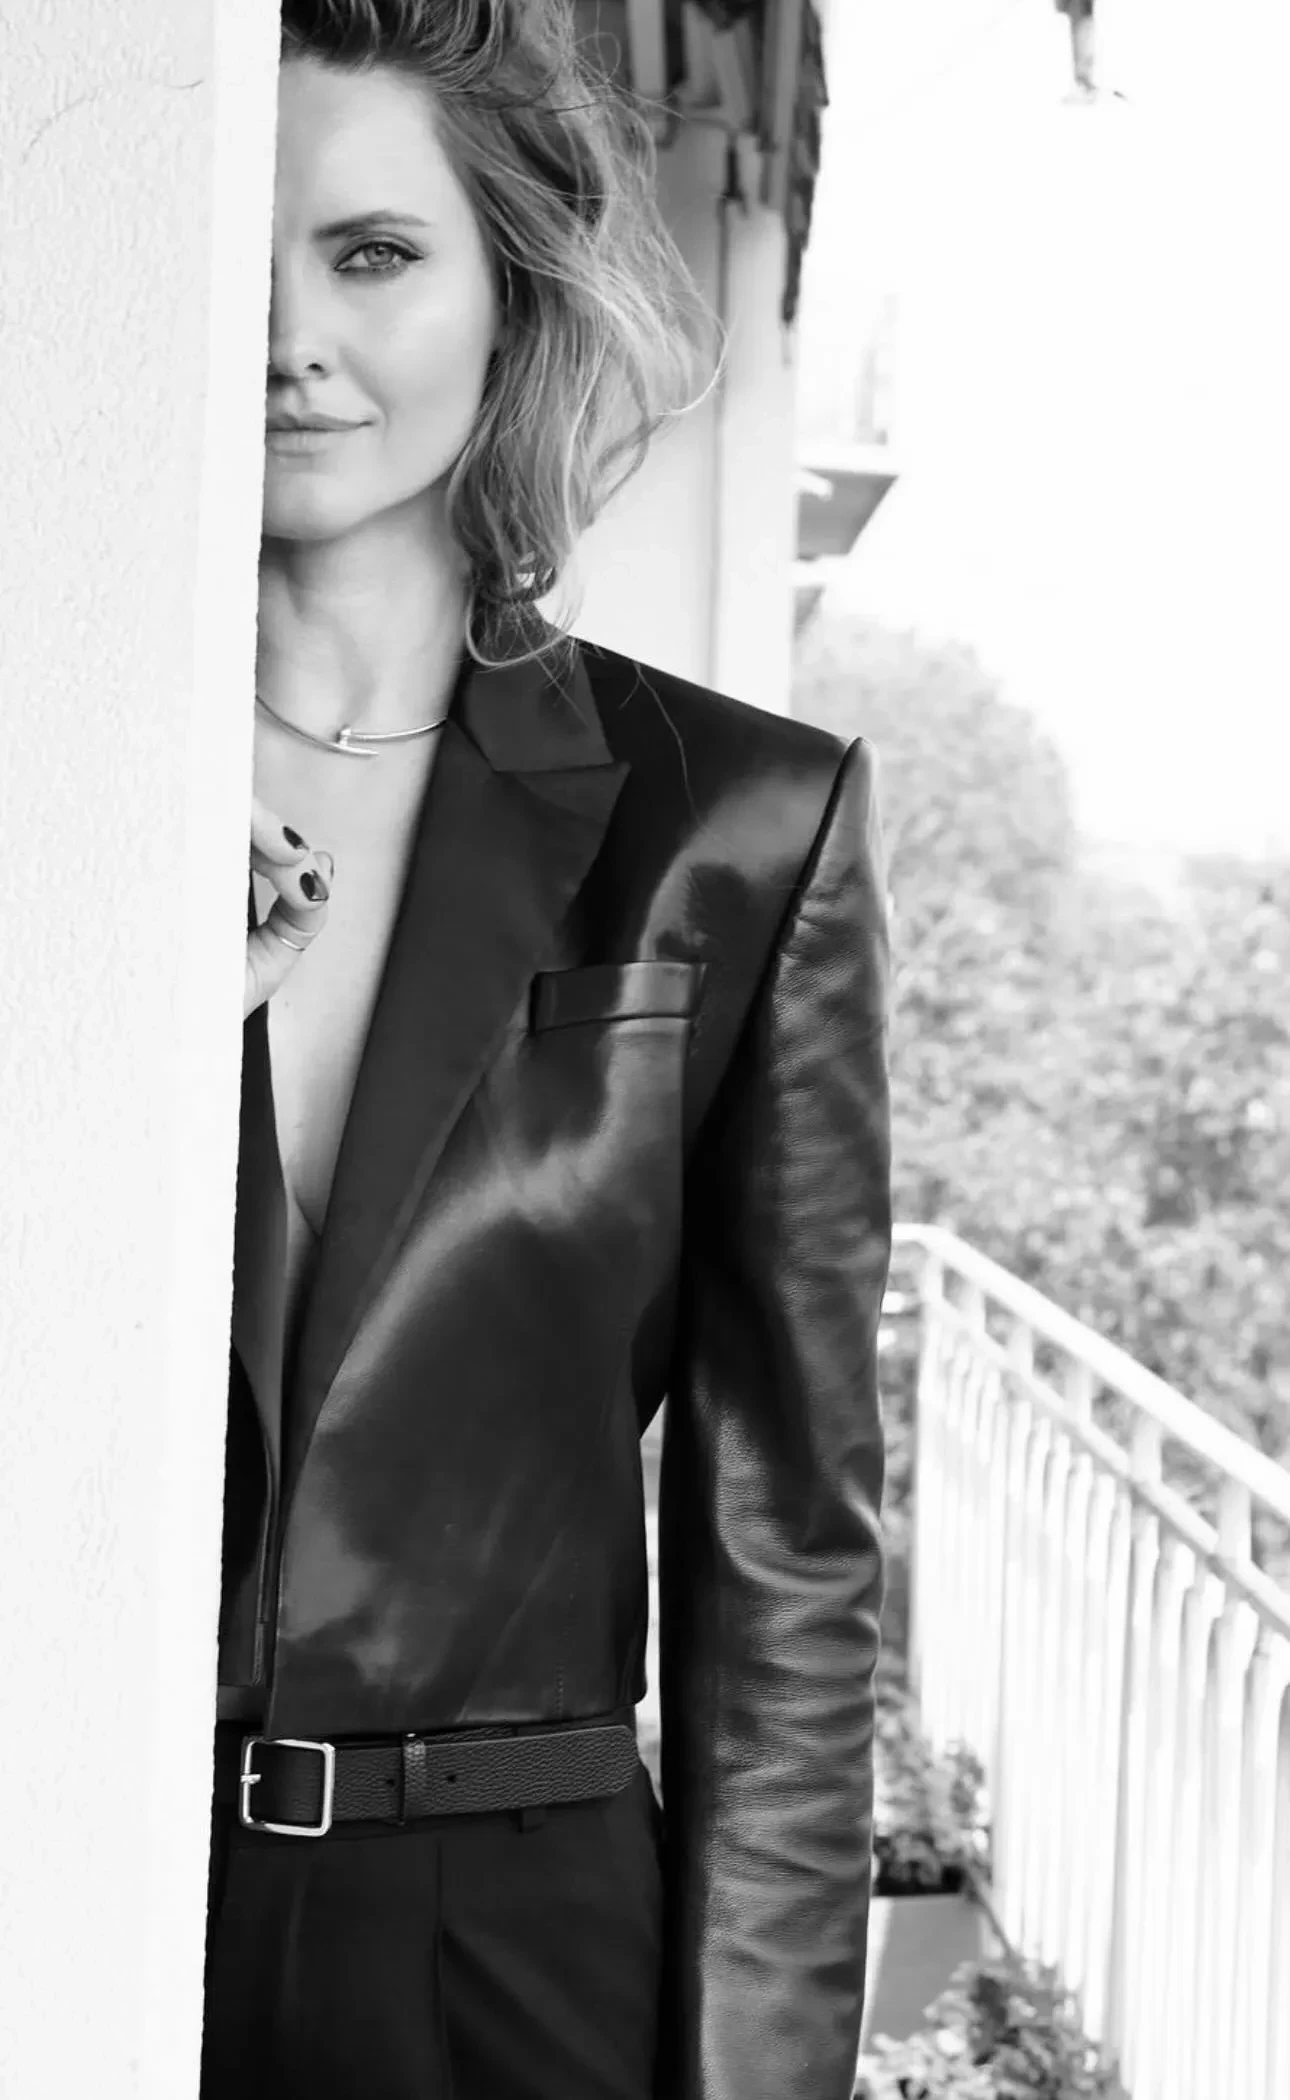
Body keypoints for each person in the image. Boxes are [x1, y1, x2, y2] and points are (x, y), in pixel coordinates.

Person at [202, 5, 892, 2098]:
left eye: (371, 253)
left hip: (514, 1968)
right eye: (233, 248)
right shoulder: (38, 796)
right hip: (58, 1897)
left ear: (509, 292)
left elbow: (785, 1558)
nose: (288, 337)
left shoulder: (735, 825)